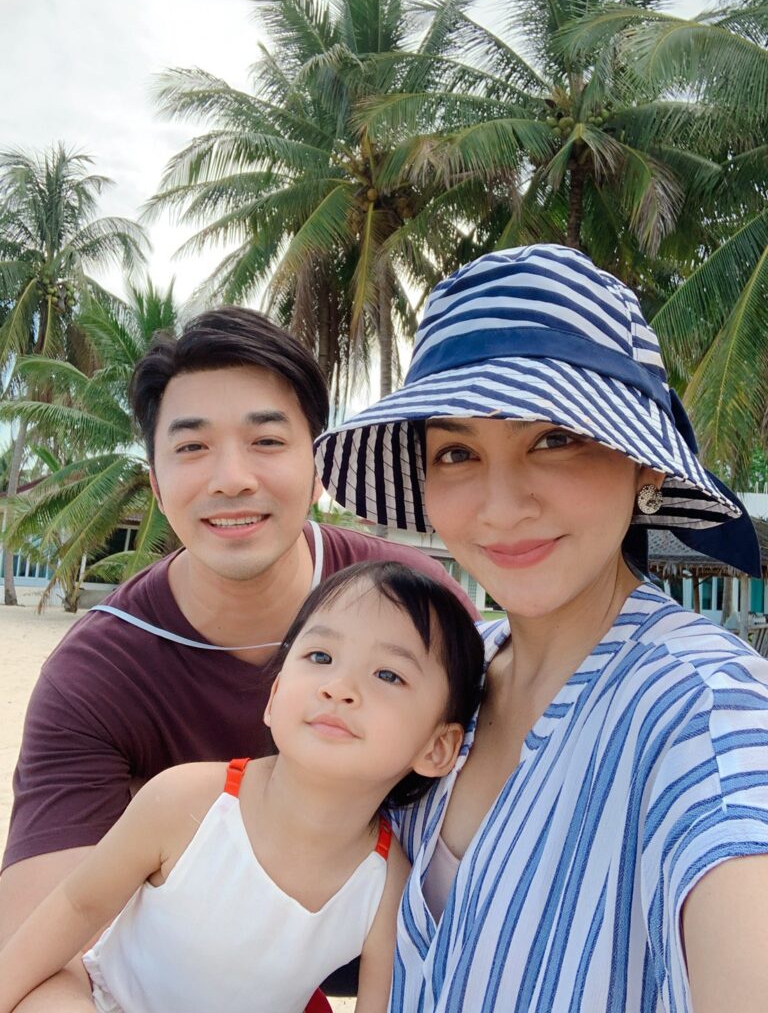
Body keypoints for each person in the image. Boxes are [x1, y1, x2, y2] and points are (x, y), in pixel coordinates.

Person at [316, 245, 768, 1013]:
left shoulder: (707, 708)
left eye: (554, 439)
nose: (500, 507)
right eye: (457, 452)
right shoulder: (445, 673)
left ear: (647, 465)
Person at [0, 307, 476, 1010]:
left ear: (318, 468)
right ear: (156, 485)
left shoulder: (421, 613)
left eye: (267, 440)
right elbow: (42, 943)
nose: (231, 478)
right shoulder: (96, 676)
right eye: (192, 446)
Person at [0, 561, 484, 1013]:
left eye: (388, 675)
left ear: (437, 748)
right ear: (274, 698)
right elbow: (76, 906)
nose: (338, 687)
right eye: (320, 656)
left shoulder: (386, 885)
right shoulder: (188, 799)